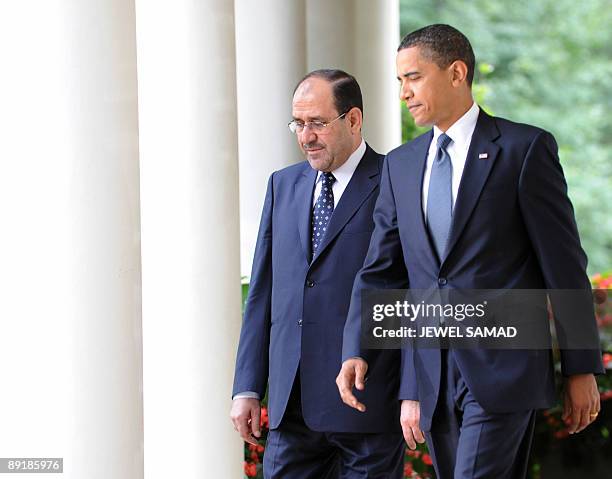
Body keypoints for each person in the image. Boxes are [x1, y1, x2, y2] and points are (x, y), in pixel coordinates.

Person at [337, 24, 604, 479]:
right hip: (433, 376)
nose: (404, 92)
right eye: (400, 81)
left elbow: (563, 263)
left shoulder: (523, 150)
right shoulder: (401, 166)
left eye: (414, 77)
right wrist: (358, 348)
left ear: (457, 72)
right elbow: (382, 270)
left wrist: (580, 368)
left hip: (505, 368)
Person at [231, 69, 404, 479]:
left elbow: (407, 292)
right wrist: (248, 386)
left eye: (318, 123)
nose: (306, 136)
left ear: (354, 120)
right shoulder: (282, 185)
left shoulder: (397, 182)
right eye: (299, 123)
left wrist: (413, 392)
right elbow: (263, 293)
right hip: (293, 411)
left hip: (368, 404)